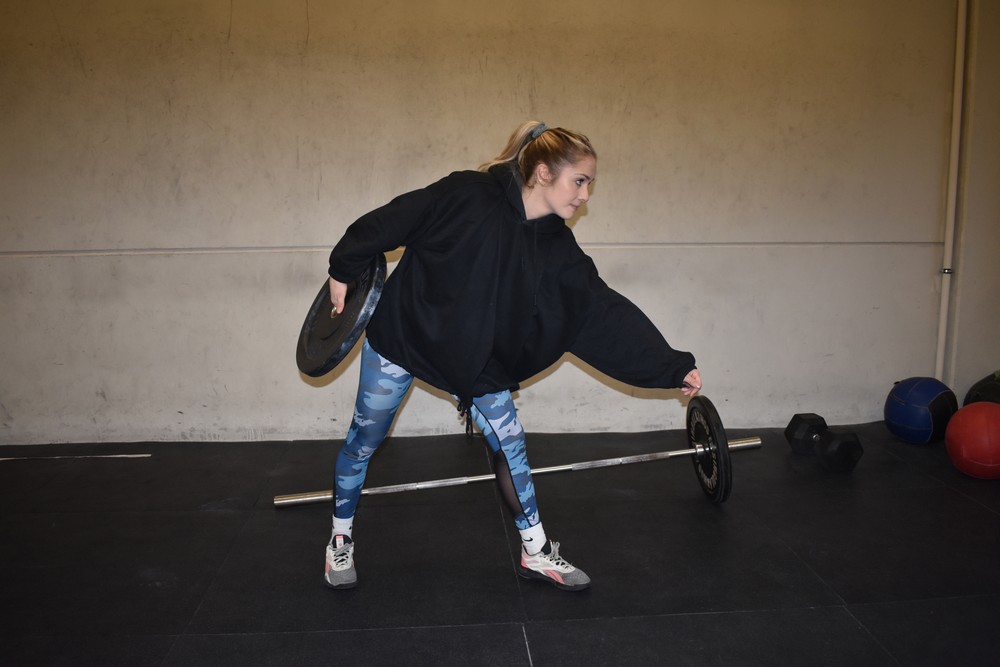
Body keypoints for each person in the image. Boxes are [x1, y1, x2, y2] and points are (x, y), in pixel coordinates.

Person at [323, 121, 701, 591]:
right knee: (365, 440)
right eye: (579, 181)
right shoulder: (466, 194)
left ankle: (536, 552)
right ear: (543, 173)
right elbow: (391, 220)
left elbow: (599, 309)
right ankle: (340, 538)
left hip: (476, 355)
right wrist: (343, 266)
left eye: (590, 184)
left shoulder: (555, 243)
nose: (585, 195)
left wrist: (669, 364)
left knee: (510, 443)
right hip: (404, 336)